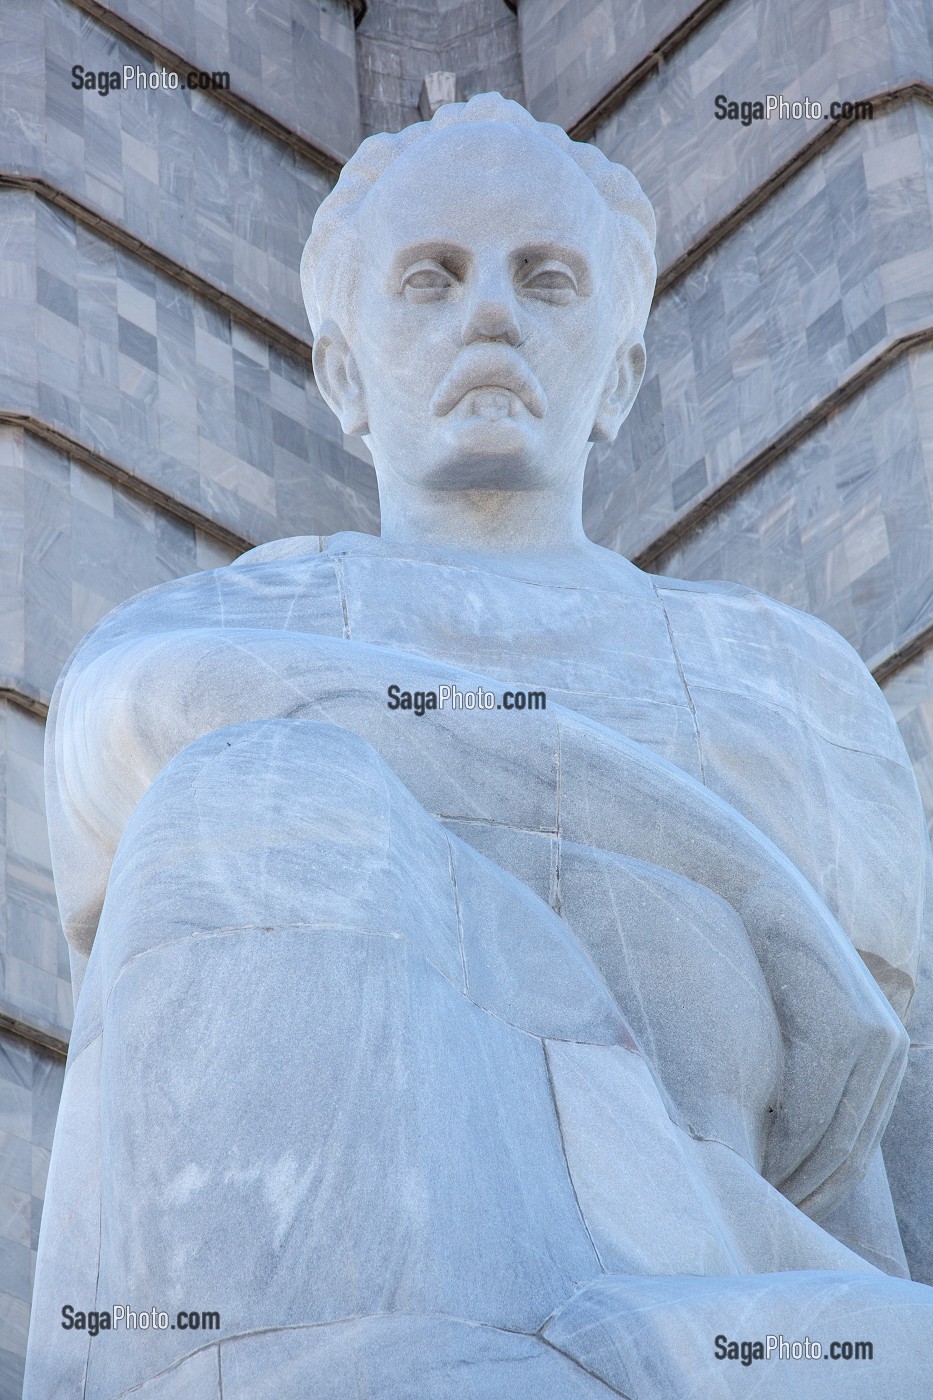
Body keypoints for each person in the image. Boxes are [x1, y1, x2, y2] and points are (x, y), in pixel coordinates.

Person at [26, 94, 933, 1399]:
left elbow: (894, 1165)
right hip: (338, 1270)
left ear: (617, 373)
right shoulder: (212, 625)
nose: (490, 315)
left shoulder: (782, 678)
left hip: (735, 1291)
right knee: (249, 782)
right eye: (431, 277)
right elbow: (135, 720)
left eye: (544, 278)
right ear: (344, 370)